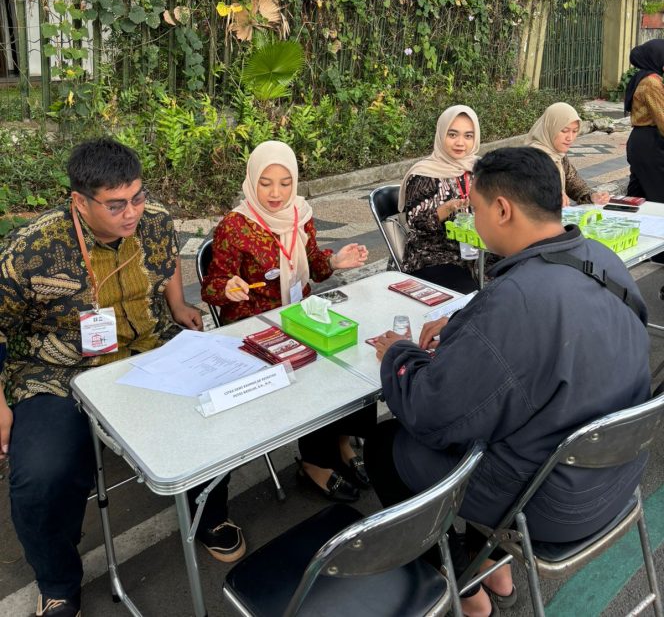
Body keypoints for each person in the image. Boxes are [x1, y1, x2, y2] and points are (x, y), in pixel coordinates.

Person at [365, 147, 651, 617]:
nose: (473, 221)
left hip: (553, 503)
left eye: (475, 209)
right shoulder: (602, 259)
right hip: (615, 478)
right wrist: (468, 321)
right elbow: (551, 328)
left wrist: (399, 353)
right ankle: (491, 563)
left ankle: (461, 582)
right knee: (506, 420)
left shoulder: (517, 301)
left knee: (386, 446)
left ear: (502, 209)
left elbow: (431, 413)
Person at [0, 138, 241, 617]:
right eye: (115, 205)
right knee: (42, 475)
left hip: (150, 349)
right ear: (80, 201)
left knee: (217, 408)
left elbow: (167, 264)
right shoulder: (32, 250)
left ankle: (209, 514)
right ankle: (58, 583)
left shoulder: (156, 220)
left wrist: (178, 305)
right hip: (60, 370)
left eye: (137, 197)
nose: (131, 213)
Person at [202, 140, 375, 502]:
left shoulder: (300, 213)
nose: (276, 193)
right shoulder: (236, 225)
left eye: (285, 183)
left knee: (349, 355)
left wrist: (335, 261)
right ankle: (315, 462)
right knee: (313, 371)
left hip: (298, 313)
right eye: (266, 183)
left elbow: (313, 264)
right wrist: (227, 287)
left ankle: (343, 441)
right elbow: (212, 286)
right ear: (252, 180)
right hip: (256, 324)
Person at [398, 105, 481, 292]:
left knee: (517, 277)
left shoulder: (480, 168)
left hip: (480, 252)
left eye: (468, 136)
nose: (460, 143)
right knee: (472, 297)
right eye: (452, 135)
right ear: (441, 134)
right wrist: (447, 209)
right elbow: (415, 223)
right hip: (435, 256)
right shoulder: (424, 174)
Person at [526, 102, 610, 206]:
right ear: (550, 128)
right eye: (564, 131)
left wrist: (592, 196)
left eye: (574, 131)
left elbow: (576, 186)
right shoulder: (530, 159)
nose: (570, 138)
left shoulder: (559, 156)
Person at [624, 38, 664, 202]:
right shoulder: (651, 82)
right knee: (658, 196)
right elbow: (662, 118)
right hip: (650, 145)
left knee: (637, 195)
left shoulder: (643, 77)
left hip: (641, 141)